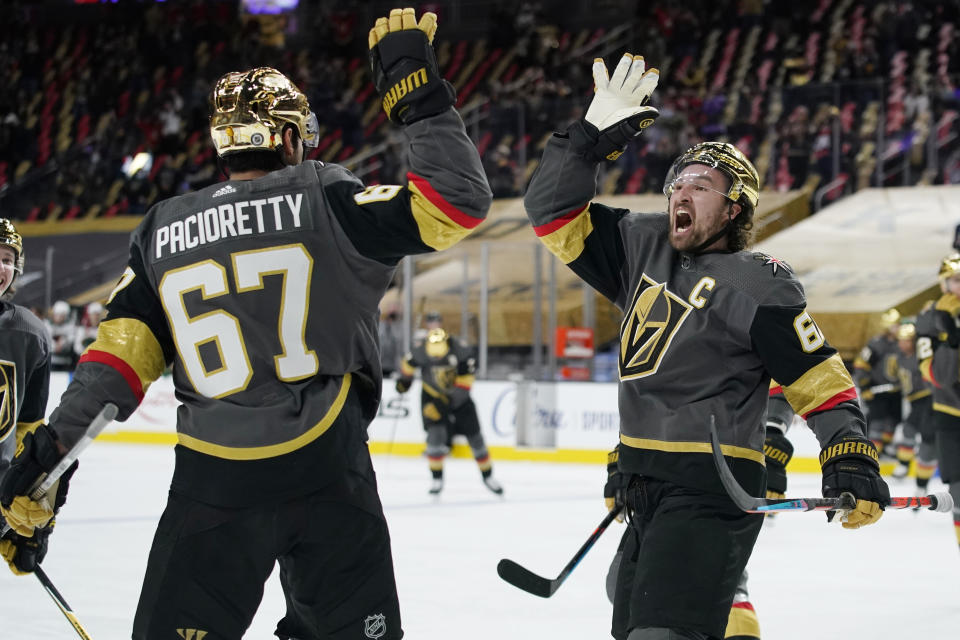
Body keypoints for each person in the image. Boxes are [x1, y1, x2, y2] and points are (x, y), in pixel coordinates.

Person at [0, 8, 492, 640]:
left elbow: (110, 375)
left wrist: (45, 465)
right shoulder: (330, 196)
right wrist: (417, 93)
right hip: (327, 467)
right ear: (288, 139)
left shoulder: (162, 229)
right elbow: (457, 200)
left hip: (213, 477)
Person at [524, 52, 889, 640]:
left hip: (711, 490)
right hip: (647, 486)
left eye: (701, 184)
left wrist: (846, 447)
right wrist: (586, 142)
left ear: (735, 205)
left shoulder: (759, 279)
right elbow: (549, 211)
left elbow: (815, 375)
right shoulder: (640, 246)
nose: (680, 191)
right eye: (677, 183)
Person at [0, 218, 57, 577]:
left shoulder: (29, 335)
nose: (0, 266)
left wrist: (26, 515)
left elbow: (28, 433)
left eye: (7, 258)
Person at [396, 316, 503, 496]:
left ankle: (488, 476)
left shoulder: (461, 351)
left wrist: (449, 401)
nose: (437, 359)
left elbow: (466, 381)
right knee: (435, 438)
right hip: (432, 396)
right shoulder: (420, 350)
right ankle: (436, 479)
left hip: (459, 400)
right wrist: (404, 382)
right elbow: (408, 366)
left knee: (475, 437)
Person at [916, 253, 960, 554]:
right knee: (958, 491)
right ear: (944, 284)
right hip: (949, 412)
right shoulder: (929, 317)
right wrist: (950, 341)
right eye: (956, 280)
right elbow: (936, 374)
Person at [852, 308, 903, 458]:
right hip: (877, 391)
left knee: (893, 423)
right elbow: (861, 365)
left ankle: (883, 449)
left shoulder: (902, 343)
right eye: (896, 325)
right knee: (877, 425)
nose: (898, 328)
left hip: (896, 392)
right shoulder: (876, 344)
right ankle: (871, 455)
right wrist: (865, 386)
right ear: (887, 326)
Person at [892, 322, 936, 487]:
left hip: (928, 399)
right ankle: (904, 465)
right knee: (908, 429)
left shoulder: (921, 355)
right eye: (900, 340)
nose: (902, 344)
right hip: (915, 401)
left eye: (906, 340)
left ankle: (921, 482)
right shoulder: (901, 356)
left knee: (926, 436)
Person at [45, 299, 77, 372]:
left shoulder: (70, 325)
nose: (59, 317)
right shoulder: (47, 324)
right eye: (58, 315)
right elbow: (46, 338)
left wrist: (62, 343)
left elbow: (71, 339)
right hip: (51, 361)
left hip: (66, 361)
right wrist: (55, 346)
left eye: (62, 315)